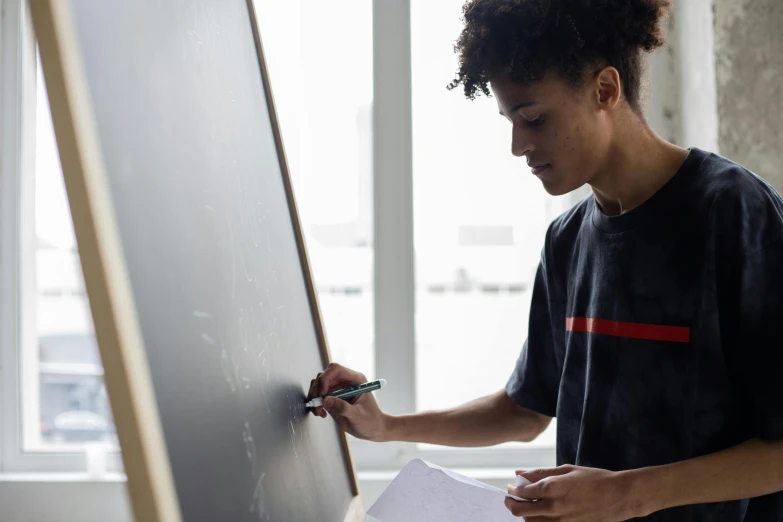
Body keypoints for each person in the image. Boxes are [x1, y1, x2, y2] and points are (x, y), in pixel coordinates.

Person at [307, 0, 783, 519]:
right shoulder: (567, 240)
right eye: (510, 120)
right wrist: (389, 426)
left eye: (533, 117)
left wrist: (626, 493)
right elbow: (524, 410)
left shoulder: (732, 212)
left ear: (605, 90)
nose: (517, 145)